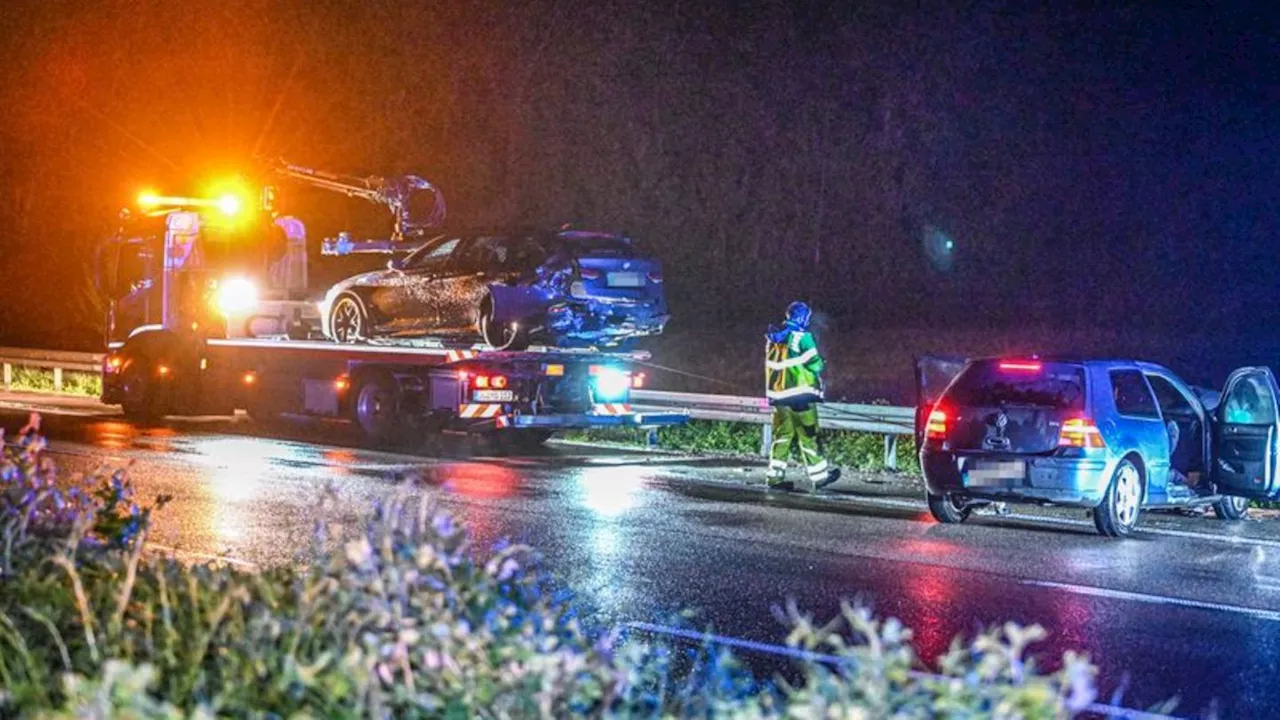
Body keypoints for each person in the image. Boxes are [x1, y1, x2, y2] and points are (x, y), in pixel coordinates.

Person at [764, 301, 841, 491]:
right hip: (801, 397)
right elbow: (814, 364)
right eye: (806, 317)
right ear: (801, 317)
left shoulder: (773, 339)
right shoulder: (802, 337)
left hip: (779, 398)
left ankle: (774, 478)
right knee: (808, 435)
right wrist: (822, 362)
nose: (807, 320)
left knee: (782, 436)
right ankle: (819, 476)